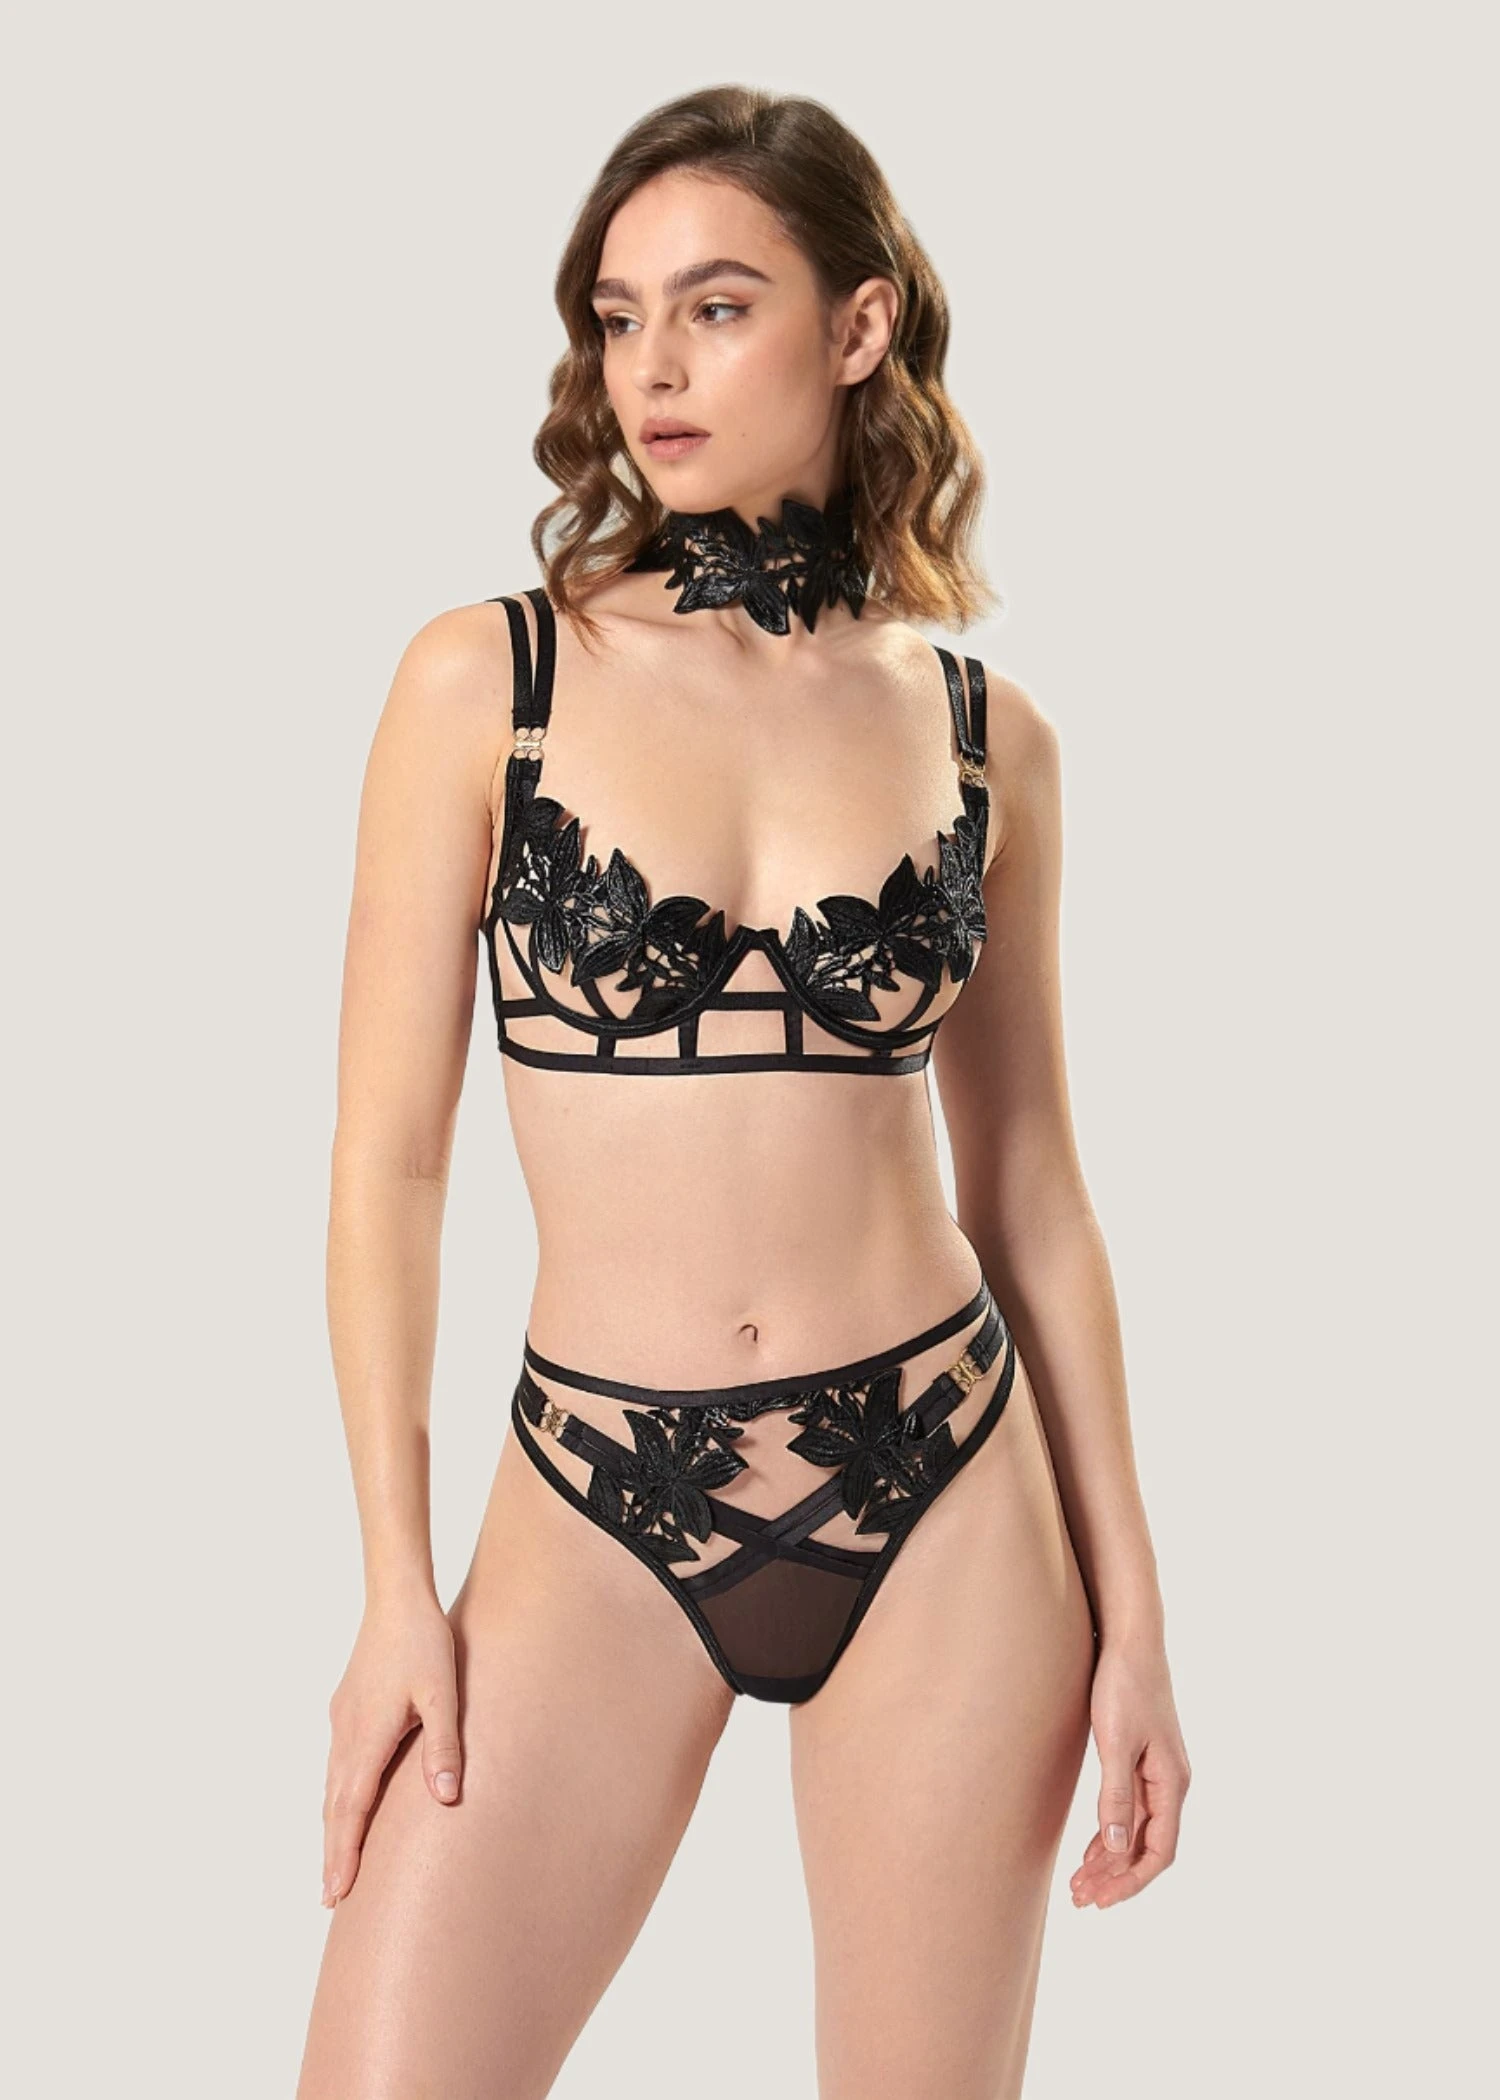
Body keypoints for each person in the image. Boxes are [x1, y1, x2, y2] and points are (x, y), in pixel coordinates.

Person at [296, 84, 1190, 2100]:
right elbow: (388, 1166)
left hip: (945, 1485)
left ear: (859, 327)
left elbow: (1034, 1189)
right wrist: (390, 1586)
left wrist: (1135, 1617)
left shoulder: (985, 733)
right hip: (596, 1493)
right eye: (619, 319)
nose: (653, 370)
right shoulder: (489, 683)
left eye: (715, 307)